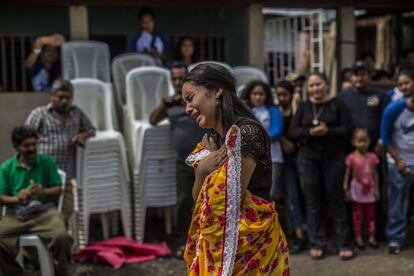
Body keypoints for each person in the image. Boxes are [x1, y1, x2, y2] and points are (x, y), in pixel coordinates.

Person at [182, 63, 289, 275]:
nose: (187, 108)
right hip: (218, 244)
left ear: (216, 90)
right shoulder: (213, 138)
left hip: (253, 250)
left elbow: (230, 204)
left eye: (190, 97)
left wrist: (207, 172)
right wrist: (201, 171)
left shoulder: (247, 133)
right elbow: (200, 204)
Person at [289, 73, 354, 260]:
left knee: (336, 201)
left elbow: (347, 129)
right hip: (308, 160)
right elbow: (293, 131)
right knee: (313, 202)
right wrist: (310, 132)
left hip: (333, 159)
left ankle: (344, 243)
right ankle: (317, 243)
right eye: (312, 86)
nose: (315, 89)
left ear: (326, 85)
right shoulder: (304, 107)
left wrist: (328, 131)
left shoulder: (337, 104)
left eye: (318, 84)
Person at [0, 125, 73, 276]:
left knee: (62, 237)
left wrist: (44, 191)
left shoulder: (47, 162)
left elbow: (58, 189)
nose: (32, 148)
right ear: (16, 146)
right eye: (27, 146)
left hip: (44, 213)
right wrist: (17, 198)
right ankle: (14, 272)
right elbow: (1, 197)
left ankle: (62, 272)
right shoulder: (6, 167)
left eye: (34, 144)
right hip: (16, 215)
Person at [149, 63, 205, 253]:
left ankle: (208, 241)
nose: (177, 82)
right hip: (183, 161)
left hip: (206, 159)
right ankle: (186, 242)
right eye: (174, 79)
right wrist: (163, 104)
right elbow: (153, 120)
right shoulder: (171, 103)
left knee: (207, 200)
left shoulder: (200, 99)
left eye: (181, 78)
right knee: (183, 201)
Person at [26, 80, 95, 219]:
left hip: (66, 174)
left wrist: (83, 135)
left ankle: (61, 237)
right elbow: (26, 136)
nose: (64, 101)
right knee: (40, 212)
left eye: (68, 98)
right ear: (52, 96)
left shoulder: (76, 113)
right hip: (42, 174)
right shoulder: (40, 113)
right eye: (60, 97)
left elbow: (91, 130)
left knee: (67, 211)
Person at [380, 89, 414, 254]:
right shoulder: (394, 109)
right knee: (397, 201)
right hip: (397, 161)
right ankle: (395, 237)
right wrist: (399, 161)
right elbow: (385, 137)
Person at [275, 80, 307, 254]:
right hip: (284, 160)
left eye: (284, 95)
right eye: (278, 95)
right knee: (292, 197)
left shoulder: (298, 109)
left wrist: (296, 100)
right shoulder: (276, 112)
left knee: (305, 195)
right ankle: (298, 234)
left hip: (301, 158)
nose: (281, 98)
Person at [240, 80, 284, 202]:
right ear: (249, 95)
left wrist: (255, 138)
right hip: (250, 158)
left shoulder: (273, 111)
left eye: (261, 94)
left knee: (272, 194)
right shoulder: (245, 111)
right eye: (255, 94)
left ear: (267, 95)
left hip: (273, 157)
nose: (258, 97)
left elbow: (277, 132)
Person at [339, 60, 389, 153]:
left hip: (374, 147)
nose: (359, 78)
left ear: (369, 76)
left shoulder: (380, 95)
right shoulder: (343, 96)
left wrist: (382, 140)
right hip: (350, 147)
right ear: (350, 77)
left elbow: (387, 120)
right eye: (356, 75)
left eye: (363, 74)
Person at [343, 128, 380, 250]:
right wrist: (345, 188)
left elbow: (375, 174)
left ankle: (371, 236)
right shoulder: (351, 157)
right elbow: (348, 174)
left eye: (365, 140)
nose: (362, 143)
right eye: (359, 140)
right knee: (357, 214)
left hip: (370, 188)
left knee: (371, 215)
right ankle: (358, 236)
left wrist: (376, 188)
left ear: (369, 141)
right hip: (357, 188)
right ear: (353, 142)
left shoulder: (373, 157)